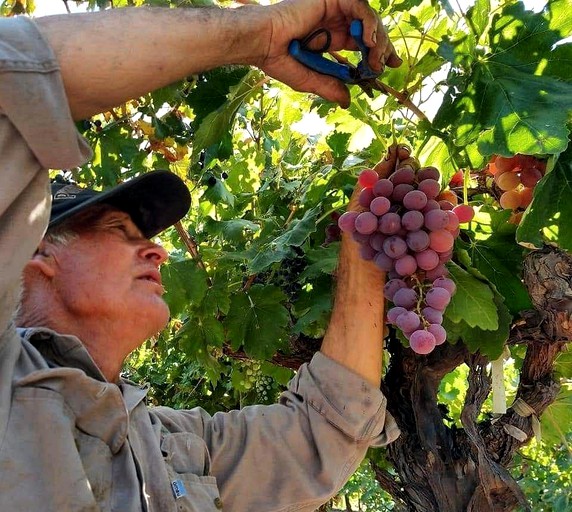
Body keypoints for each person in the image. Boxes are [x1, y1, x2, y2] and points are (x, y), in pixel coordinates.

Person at [0, 1, 401, 510]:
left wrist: (364, 241)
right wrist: (262, 32)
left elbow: (322, 433)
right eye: (120, 230)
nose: (158, 251)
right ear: (39, 250)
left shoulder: (170, 446)